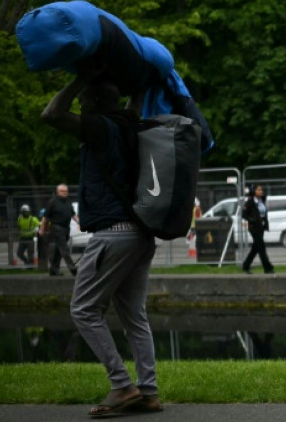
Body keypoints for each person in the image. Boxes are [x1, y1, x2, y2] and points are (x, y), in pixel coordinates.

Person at [41, 61, 162, 416]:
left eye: (85, 101)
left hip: (112, 233)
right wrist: (142, 78)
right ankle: (149, 391)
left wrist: (82, 77)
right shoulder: (130, 124)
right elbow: (134, 102)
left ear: (91, 101)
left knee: (83, 309)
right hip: (141, 235)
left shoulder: (97, 127)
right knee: (134, 316)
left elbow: (50, 114)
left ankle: (122, 386)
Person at [39, 184, 79, 276]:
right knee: (64, 249)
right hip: (57, 227)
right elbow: (45, 217)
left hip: (66, 228)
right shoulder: (52, 202)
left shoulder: (68, 202)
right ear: (57, 192)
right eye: (62, 191)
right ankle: (73, 269)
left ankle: (53, 270)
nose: (64, 193)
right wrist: (42, 229)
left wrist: (79, 223)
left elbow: (73, 215)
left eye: (66, 191)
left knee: (58, 250)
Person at [242, 184, 274, 274]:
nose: (261, 191)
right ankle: (267, 267)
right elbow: (244, 214)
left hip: (261, 227)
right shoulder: (250, 202)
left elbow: (263, 212)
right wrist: (252, 219)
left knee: (256, 248)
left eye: (261, 190)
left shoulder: (262, 200)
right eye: (258, 190)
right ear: (254, 191)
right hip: (254, 227)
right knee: (261, 247)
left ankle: (246, 265)